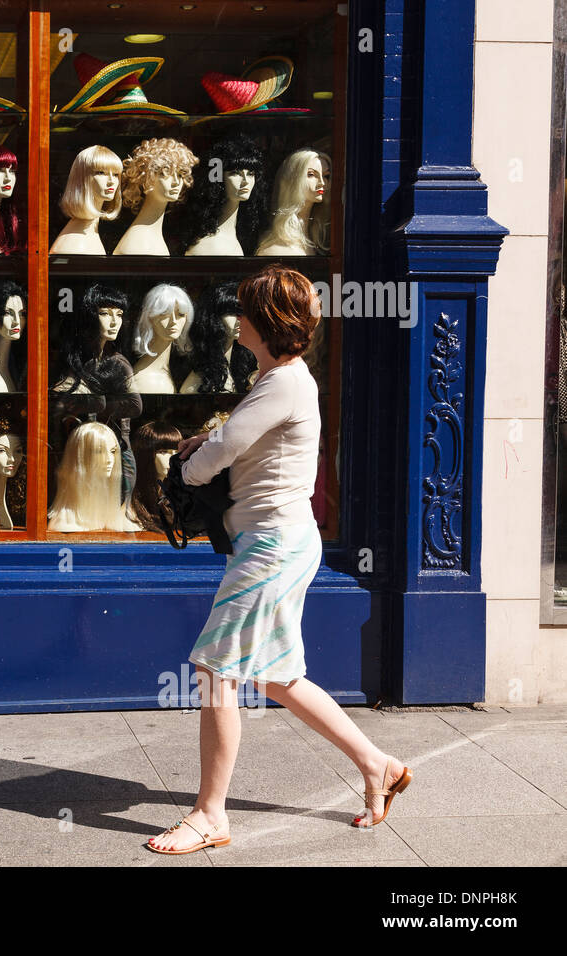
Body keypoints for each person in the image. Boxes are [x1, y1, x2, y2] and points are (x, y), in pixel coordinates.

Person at [147, 264, 411, 855]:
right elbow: (238, 441)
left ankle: (209, 814)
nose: (236, 319)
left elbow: (220, 454)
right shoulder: (279, 379)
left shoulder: (284, 383)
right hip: (279, 543)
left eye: (243, 311)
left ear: (264, 323)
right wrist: (209, 445)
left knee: (217, 668)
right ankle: (378, 766)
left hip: (271, 548)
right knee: (278, 676)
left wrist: (191, 463)